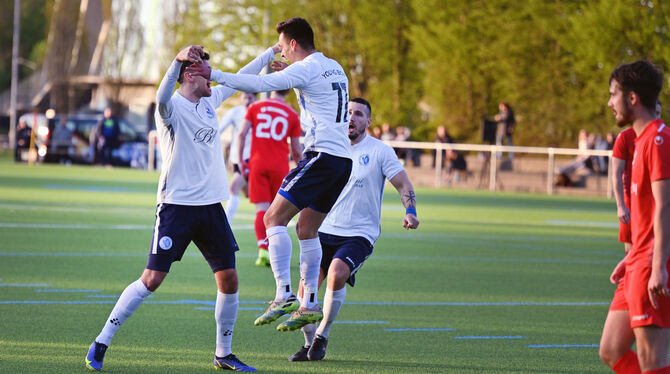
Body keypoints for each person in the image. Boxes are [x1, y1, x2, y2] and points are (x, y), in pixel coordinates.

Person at [84, 43, 280, 372]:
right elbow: (160, 97)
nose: (210, 79)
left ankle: (223, 354)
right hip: (177, 207)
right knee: (152, 279)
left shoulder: (209, 102)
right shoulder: (171, 108)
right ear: (189, 75)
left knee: (229, 279)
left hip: (210, 208)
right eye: (204, 72)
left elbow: (239, 77)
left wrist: (271, 53)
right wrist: (175, 59)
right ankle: (102, 340)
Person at [190, 17, 353, 332]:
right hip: (341, 160)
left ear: (293, 44)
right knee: (306, 230)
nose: (282, 53)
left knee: (271, 220)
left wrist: (215, 74)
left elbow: (260, 85)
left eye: (282, 47)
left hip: (321, 156)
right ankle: (310, 304)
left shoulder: (305, 68)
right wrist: (292, 76)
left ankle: (284, 294)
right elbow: (318, 91)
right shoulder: (334, 66)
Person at [288, 97, 419, 362]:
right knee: (305, 293)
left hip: (359, 233)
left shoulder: (381, 151)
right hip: (322, 230)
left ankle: (322, 335)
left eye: (359, 114)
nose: (352, 117)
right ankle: (308, 343)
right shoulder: (328, 147)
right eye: (348, 112)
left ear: (368, 121)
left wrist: (411, 211)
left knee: (337, 273)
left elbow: (403, 184)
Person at [599, 60, 670, 374]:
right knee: (612, 350)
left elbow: (666, 207)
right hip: (637, 264)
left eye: (614, 94)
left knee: (652, 360)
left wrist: (658, 268)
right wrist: (629, 260)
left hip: (652, 267)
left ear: (632, 98)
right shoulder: (638, 141)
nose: (609, 102)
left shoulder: (658, 139)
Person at [237, 89, 302, 267]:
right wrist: (301, 168)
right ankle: (276, 253)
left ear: (272, 88)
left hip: (257, 164)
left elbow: (241, 134)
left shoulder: (255, 107)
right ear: (288, 91)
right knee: (278, 214)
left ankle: (263, 250)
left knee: (261, 209)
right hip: (279, 167)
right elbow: (296, 149)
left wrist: (241, 160)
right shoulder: (292, 114)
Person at [219, 92, 257, 223]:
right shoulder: (235, 112)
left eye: (250, 97)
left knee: (233, 187)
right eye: (245, 97)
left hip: (251, 159)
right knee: (250, 194)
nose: (247, 100)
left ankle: (225, 224)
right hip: (236, 160)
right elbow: (220, 128)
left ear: (255, 98)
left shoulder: (259, 113)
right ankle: (269, 212)